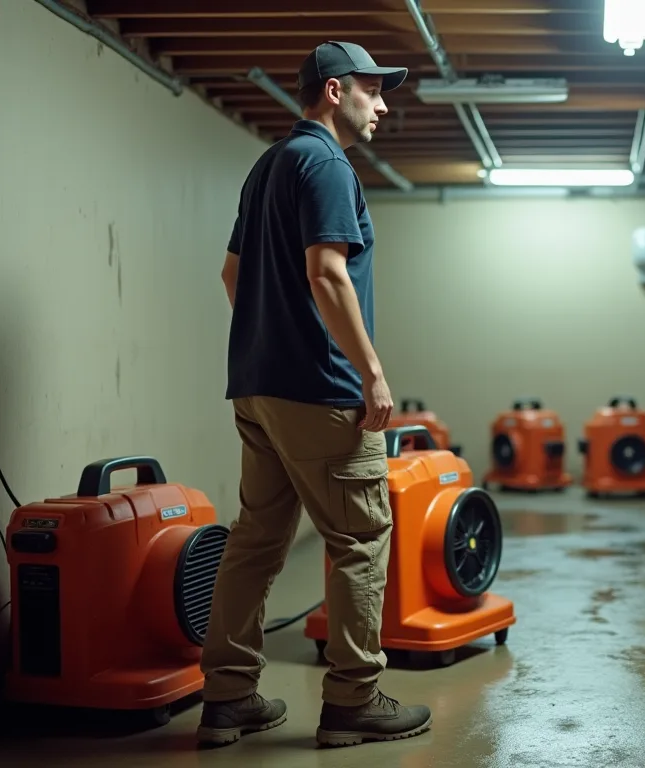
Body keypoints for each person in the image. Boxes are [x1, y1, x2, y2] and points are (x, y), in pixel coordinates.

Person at [194, 41, 432, 750]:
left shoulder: (269, 165)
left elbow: (232, 276)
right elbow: (328, 274)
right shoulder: (327, 165)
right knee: (361, 538)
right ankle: (354, 701)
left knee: (257, 541)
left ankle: (228, 697)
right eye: (372, 89)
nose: (383, 104)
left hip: (258, 388)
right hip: (321, 391)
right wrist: (372, 371)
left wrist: (273, 340)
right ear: (334, 91)